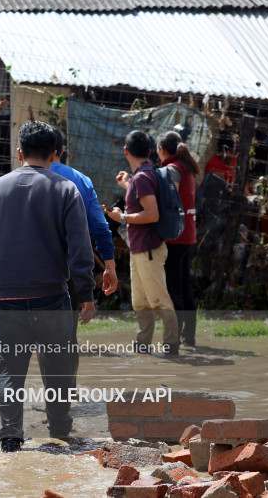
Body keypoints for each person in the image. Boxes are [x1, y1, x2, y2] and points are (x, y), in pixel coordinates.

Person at [0, 120, 95, 452]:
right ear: (55, 153)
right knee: (58, 371)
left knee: (9, 371)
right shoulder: (65, 189)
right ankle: (60, 435)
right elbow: (79, 249)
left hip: (6, 296)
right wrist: (85, 294)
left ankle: (10, 439)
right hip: (52, 296)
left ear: (20, 152)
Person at [49, 127, 118, 387]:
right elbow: (100, 229)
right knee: (67, 333)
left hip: (29, 268)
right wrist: (109, 267)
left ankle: (25, 405)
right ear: (61, 152)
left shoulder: (12, 181)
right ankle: (66, 392)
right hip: (71, 267)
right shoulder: (81, 180)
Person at [104, 130, 179, 356]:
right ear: (148, 152)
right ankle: (143, 345)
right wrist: (128, 184)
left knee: (158, 300)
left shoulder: (143, 177)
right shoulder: (143, 176)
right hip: (140, 249)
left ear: (126, 151)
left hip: (148, 249)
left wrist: (122, 217)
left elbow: (152, 214)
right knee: (140, 302)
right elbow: (142, 199)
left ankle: (171, 346)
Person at [156, 131, 199, 348]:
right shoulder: (188, 167)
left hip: (176, 237)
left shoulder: (172, 170)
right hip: (189, 235)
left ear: (162, 150)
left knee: (174, 290)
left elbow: (168, 201)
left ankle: (174, 340)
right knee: (185, 286)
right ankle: (188, 337)